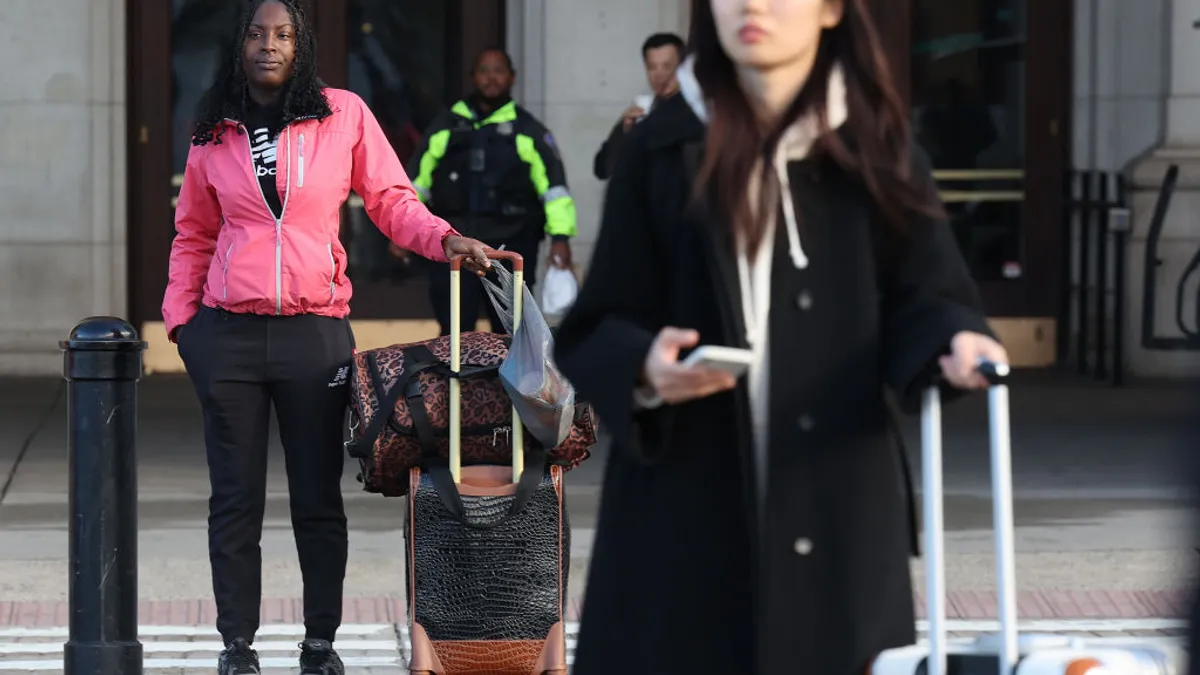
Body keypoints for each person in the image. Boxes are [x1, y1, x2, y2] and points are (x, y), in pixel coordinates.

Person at [553, 0, 1010, 674]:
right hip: (681, 520)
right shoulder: (661, 149)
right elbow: (593, 328)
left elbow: (928, 296)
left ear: (831, 10)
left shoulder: (876, 147)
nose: (753, 5)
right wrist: (646, 368)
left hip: (836, 509)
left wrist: (956, 339)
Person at [161, 2, 490, 674]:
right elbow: (193, 234)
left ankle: (320, 643)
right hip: (227, 337)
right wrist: (183, 327)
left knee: (318, 499)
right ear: (239, 44)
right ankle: (236, 645)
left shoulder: (342, 115)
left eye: (282, 35)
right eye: (256, 34)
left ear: (301, 44)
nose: (268, 46)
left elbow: (392, 199)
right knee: (234, 501)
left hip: (314, 337)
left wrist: (442, 237)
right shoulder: (212, 128)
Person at [409, 48, 577, 335]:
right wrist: (406, 230)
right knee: (454, 333)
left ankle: (508, 382)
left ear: (512, 77)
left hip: (510, 245)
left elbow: (554, 188)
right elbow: (416, 182)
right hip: (455, 244)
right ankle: (457, 382)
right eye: (484, 71)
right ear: (473, 77)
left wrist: (560, 237)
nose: (491, 78)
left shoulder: (527, 130)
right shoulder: (447, 126)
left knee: (512, 333)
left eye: (498, 70)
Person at [592, 32, 686, 180]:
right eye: (652, 67)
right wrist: (623, 133)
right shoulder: (642, 111)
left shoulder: (699, 111)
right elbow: (602, 169)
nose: (659, 74)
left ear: (682, 67)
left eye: (667, 66)